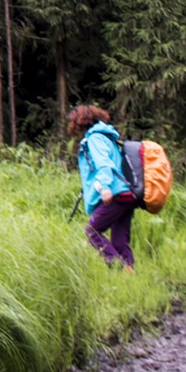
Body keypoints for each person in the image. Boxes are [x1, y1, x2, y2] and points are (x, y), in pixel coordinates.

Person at [69, 104, 136, 269]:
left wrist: (105, 187)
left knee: (92, 232)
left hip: (114, 194)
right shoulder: (108, 137)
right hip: (126, 194)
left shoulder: (95, 139)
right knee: (120, 241)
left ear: (80, 122)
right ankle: (129, 275)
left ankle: (119, 269)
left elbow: (104, 164)